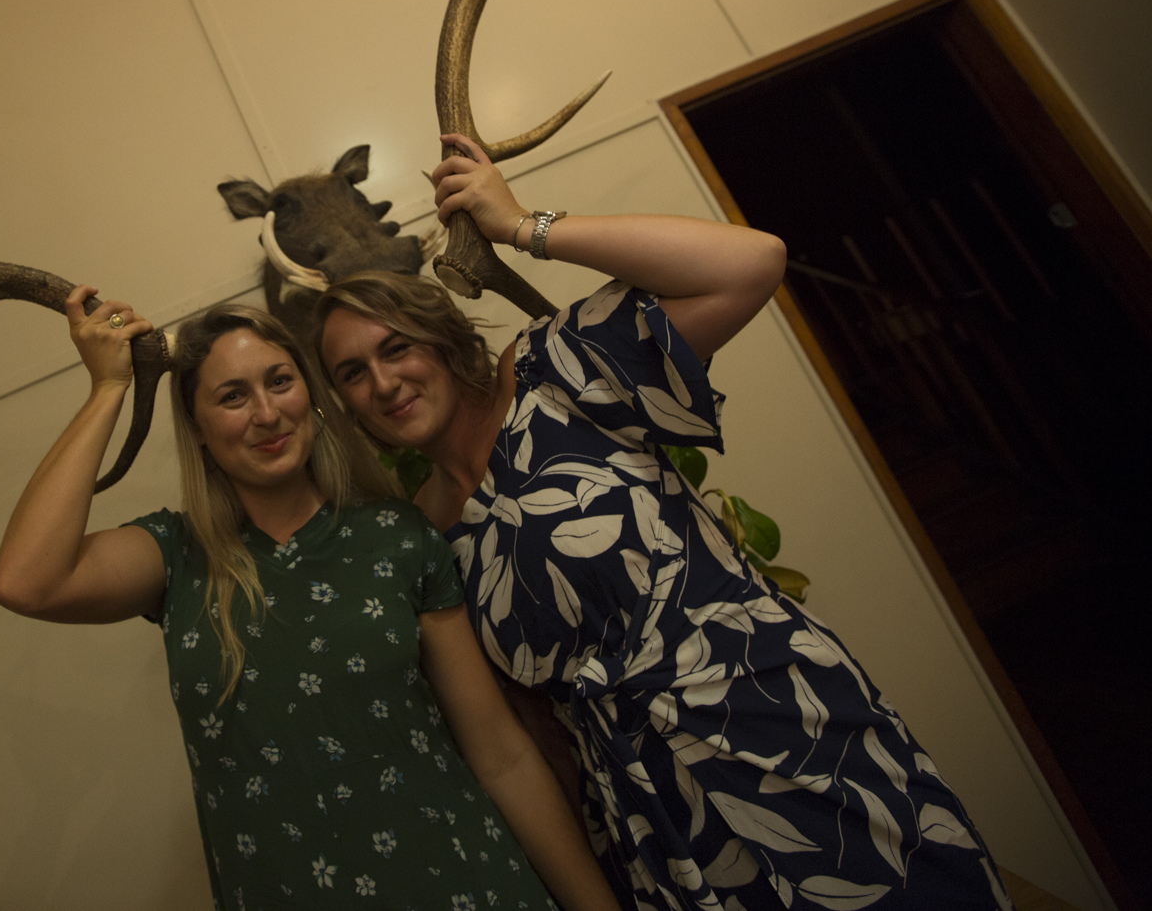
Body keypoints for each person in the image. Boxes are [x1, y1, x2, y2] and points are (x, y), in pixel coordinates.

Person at [311, 133, 1011, 910]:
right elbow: (532, 735)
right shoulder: (425, 537)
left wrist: (522, 226)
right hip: (654, 820)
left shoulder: (551, 371)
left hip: (779, 722)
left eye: (396, 347)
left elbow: (751, 262)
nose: (384, 382)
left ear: (440, 338)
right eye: (352, 373)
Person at [0, 288, 621, 910]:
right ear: (199, 429)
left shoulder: (399, 537)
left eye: (280, 382)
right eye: (232, 396)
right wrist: (108, 387)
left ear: (312, 397)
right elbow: (27, 581)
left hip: (463, 881)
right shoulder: (177, 555)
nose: (267, 414)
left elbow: (501, 756)